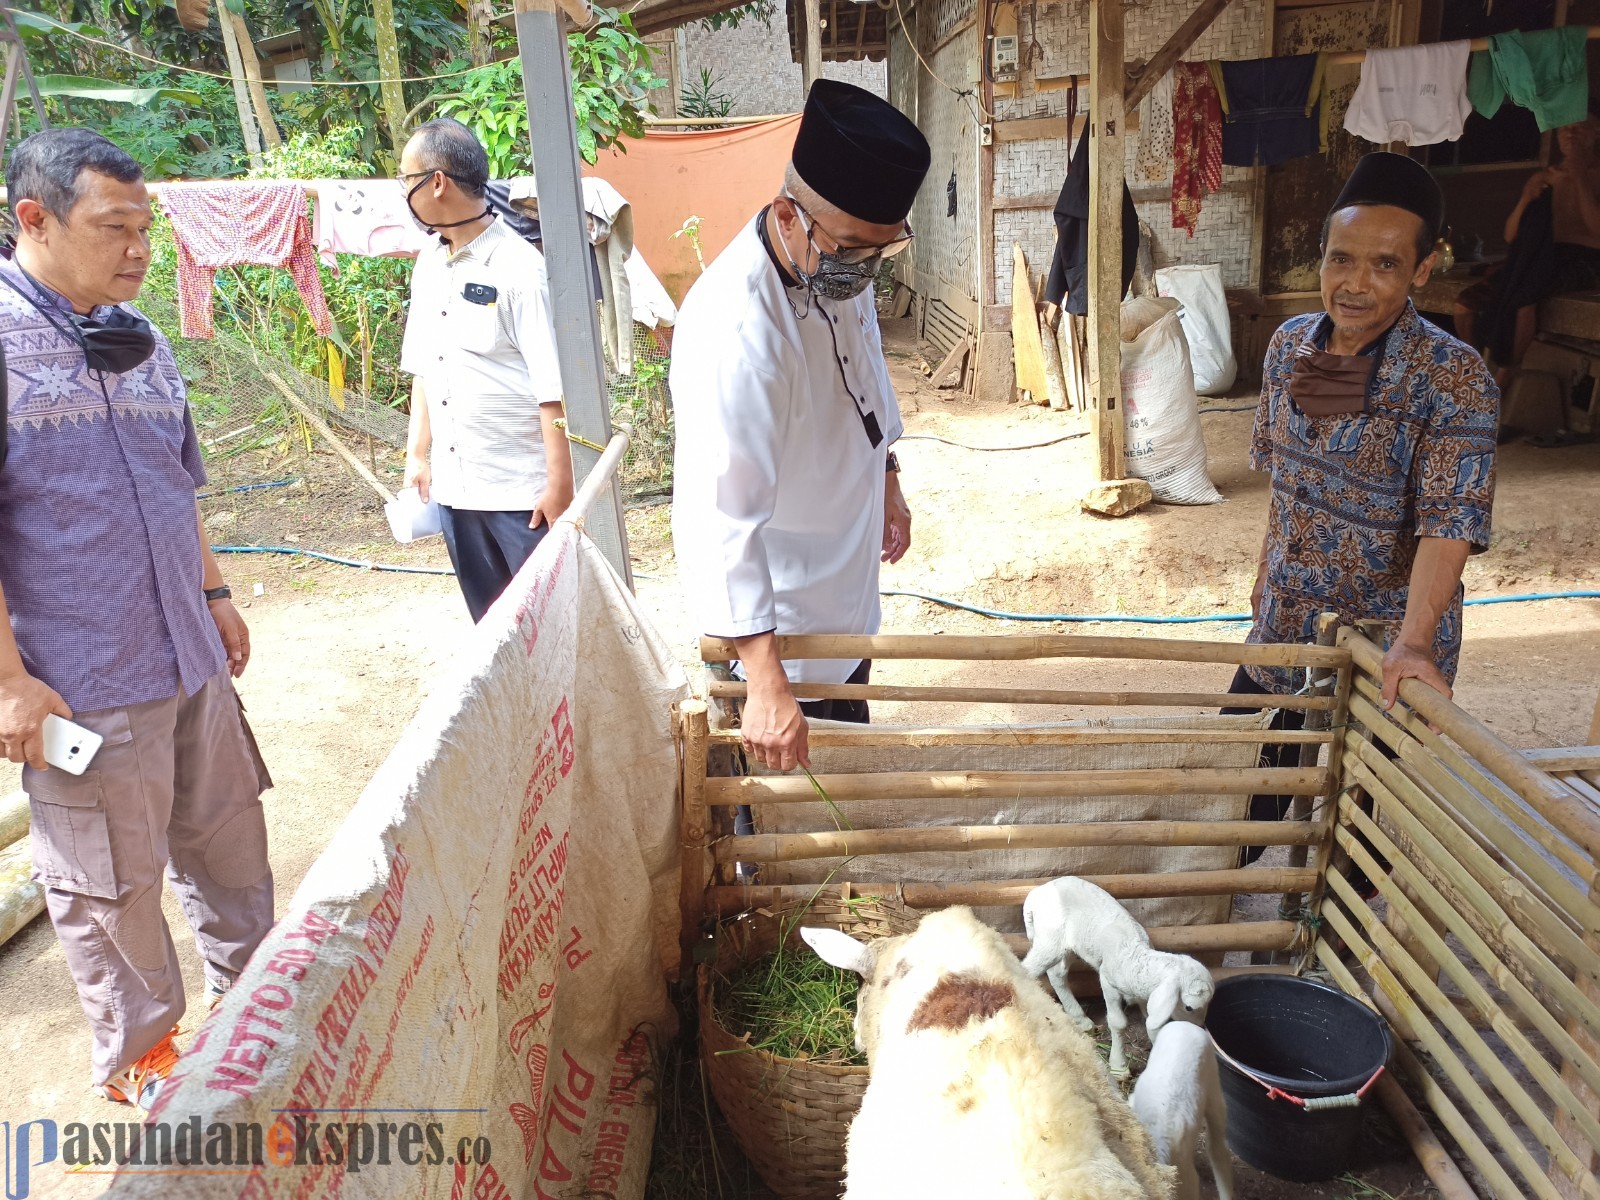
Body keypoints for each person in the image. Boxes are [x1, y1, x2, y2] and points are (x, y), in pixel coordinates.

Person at [0, 128, 274, 1109]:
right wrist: (10, 682)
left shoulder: (140, 339)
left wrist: (214, 592)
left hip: (190, 655)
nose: (138, 250)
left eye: (144, 228)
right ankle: (144, 1061)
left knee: (229, 840)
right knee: (107, 881)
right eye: (113, 228)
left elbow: (177, 482)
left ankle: (252, 1022)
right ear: (34, 220)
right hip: (82, 682)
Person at [1230, 152, 1499, 857]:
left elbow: (1451, 523)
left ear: (1422, 270)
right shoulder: (1293, 348)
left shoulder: (1452, 377)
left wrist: (1413, 640)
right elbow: (1290, 481)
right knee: (1236, 803)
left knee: (1356, 845)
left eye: (1383, 265)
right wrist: (1266, 571)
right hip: (1286, 623)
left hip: (1383, 648)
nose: (1354, 284)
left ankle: (1333, 960)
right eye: (1340, 259)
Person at [671, 80, 928, 774]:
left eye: (882, 253)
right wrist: (764, 682)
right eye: (852, 250)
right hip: (780, 611)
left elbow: (866, 371)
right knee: (788, 802)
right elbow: (721, 519)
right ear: (789, 212)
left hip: (845, 582)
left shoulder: (837, 265)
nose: (864, 271)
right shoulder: (738, 330)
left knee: (850, 763)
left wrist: (887, 479)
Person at [400, 118, 574, 623]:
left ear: (437, 182)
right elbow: (425, 366)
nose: (403, 192)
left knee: (547, 627)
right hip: (456, 493)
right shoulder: (428, 265)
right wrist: (417, 454)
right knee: (492, 631)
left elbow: (552, 387)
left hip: (523, 495)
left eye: (406, 179)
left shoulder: (519, 269)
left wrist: (558, 484)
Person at [1454, 112, 1600, 380]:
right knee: (1465, 304)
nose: (1571, 134)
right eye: (1565, 127)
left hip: (1584, 259)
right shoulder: (1547, 177)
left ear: (1596, 133)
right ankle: (1475, 370)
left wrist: (1579, 177)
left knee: (1523, 297)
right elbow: (1512, 237)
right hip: (1538, 255)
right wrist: (1526, 198)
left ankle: (1507, 373)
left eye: (1581, 127)